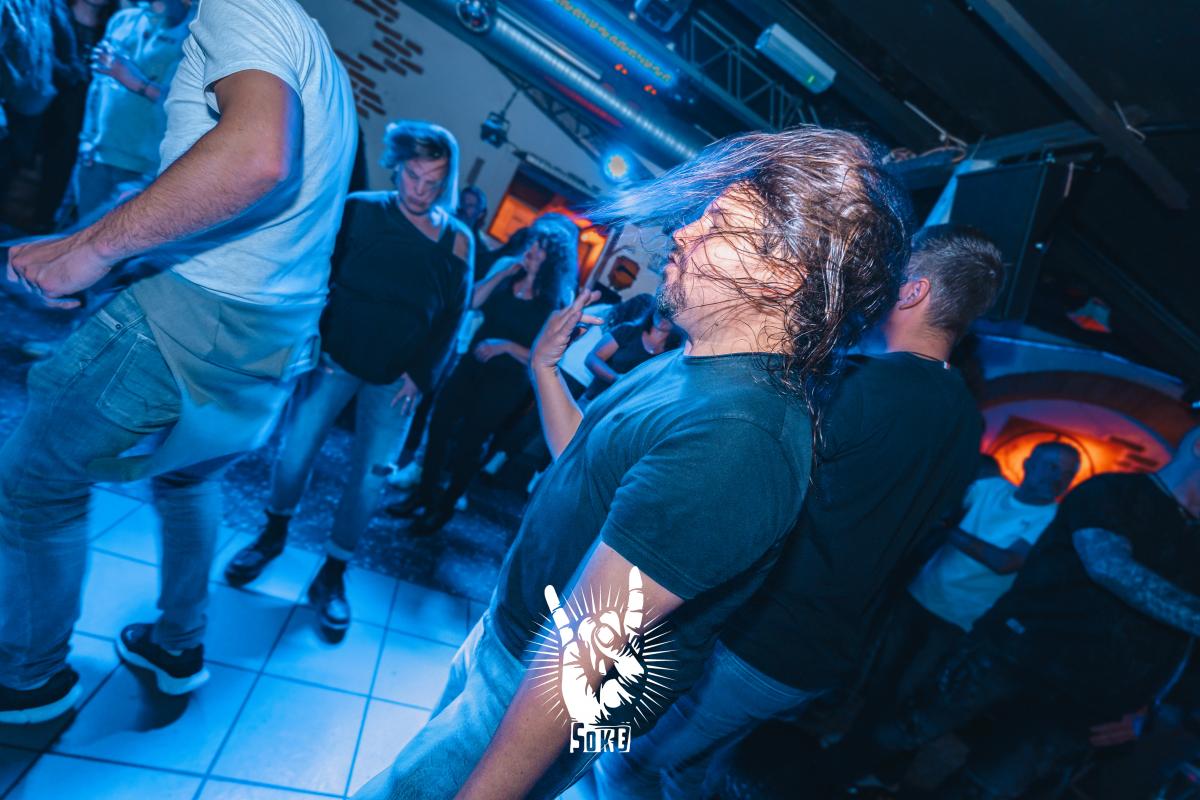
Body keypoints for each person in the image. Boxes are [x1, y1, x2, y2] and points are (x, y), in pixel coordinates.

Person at [353, 126, 911, 800]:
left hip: (538, 687)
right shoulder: (699, 360)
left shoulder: (740, 438)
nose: (684, 231)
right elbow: (589, 469)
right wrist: (544, 370)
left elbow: (585, 656)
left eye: (718, 224)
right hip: (512, 638)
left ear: (782, 275)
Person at [0, 0, 354, 722]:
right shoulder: (316, 49)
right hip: (275, 331)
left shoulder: (241, 7)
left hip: (193, 313)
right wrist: (97, 235)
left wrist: (91, 252)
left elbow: (257, 158)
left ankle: (28, 675)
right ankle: (177, 645)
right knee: (191, 478)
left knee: (39, 481)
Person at [593, 223, 1005, 799]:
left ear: (914, 291)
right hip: (817, 658)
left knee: (626, 761)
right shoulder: (967, 423)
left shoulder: (861, 385)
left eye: (891, 274)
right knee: (687, 771)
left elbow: (757, 488)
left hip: (755, 635)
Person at [825, 426, 1200, 799]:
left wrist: (1147, 707)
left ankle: (875, 777)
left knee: (987, 787)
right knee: (905, 722)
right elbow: (1108, 565)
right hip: (1009, 651)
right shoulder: (1113, 492)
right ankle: (827, 777)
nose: (1055, 477)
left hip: (1076, 696)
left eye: (1063, 472)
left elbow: (1179, 646)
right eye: (1049, 466)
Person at [221, 121, 473, 640]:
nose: (420, 191)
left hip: (398, 380)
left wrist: (421, 376)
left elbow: (452, 318)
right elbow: (319, 274)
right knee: (295, 452)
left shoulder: (458, 241)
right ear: (396, 167)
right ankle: (272, 535)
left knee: (371, 478)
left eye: (433, 182)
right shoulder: (361, 209)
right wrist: (314, 338)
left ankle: (332, 573)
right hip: (335, 359)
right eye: (412, 176)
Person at [385, 213, 577, 534]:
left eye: (540, 248)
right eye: (532, 243)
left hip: (505, 382)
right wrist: (502, 274)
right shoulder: (508, 277)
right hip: (470, 367)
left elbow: (544, 356)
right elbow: (471, 301)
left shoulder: (553, 302)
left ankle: (443, 508)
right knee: (439, 429)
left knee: (470, 445)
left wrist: (505, 346)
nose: (531, 250)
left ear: (553, 259)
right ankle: (423, 495)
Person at [64, 0, 193, 223]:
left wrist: (135, 81)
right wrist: (87, 140)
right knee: (83, 232)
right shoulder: (123, 20)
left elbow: (187, 105)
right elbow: (99, 86)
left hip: (144, 167)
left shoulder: (193, 32)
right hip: (97, 157)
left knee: (123, 239)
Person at [582, 305, 680, 400]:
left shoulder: (673, 355)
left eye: (671, 314)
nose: (664, 317)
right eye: (663, 310)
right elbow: (592, 358)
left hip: (625, 409)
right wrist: (617, 379)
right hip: (595, 400)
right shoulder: (628, 331)